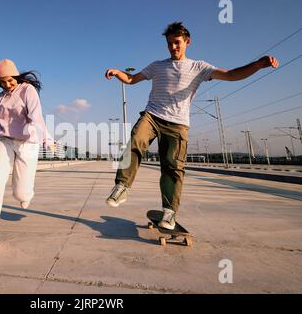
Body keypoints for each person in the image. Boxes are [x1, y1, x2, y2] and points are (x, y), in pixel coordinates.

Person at [105, 22, 278, 230]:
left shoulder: (199, 68)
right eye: (169, 44)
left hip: (178, 125)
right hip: (152, 116)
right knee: (136, 140)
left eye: (177, 43)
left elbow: (231, 75)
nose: (173, 48)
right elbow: (132, 79)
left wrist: (257, 65)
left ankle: (169, 212)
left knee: (172, 166)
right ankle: (122, 186)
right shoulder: (157, 66)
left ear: (187, 42)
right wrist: (118, 73)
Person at [0, 59, 54, 255]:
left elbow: (37, 116)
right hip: (5, 141)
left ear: (16, 77)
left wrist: (46, 138)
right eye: (3, 82)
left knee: (21, 194)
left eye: (10, 80)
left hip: (27, 143)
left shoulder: (27, 91)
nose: (7, 85)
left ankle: (26, 194)